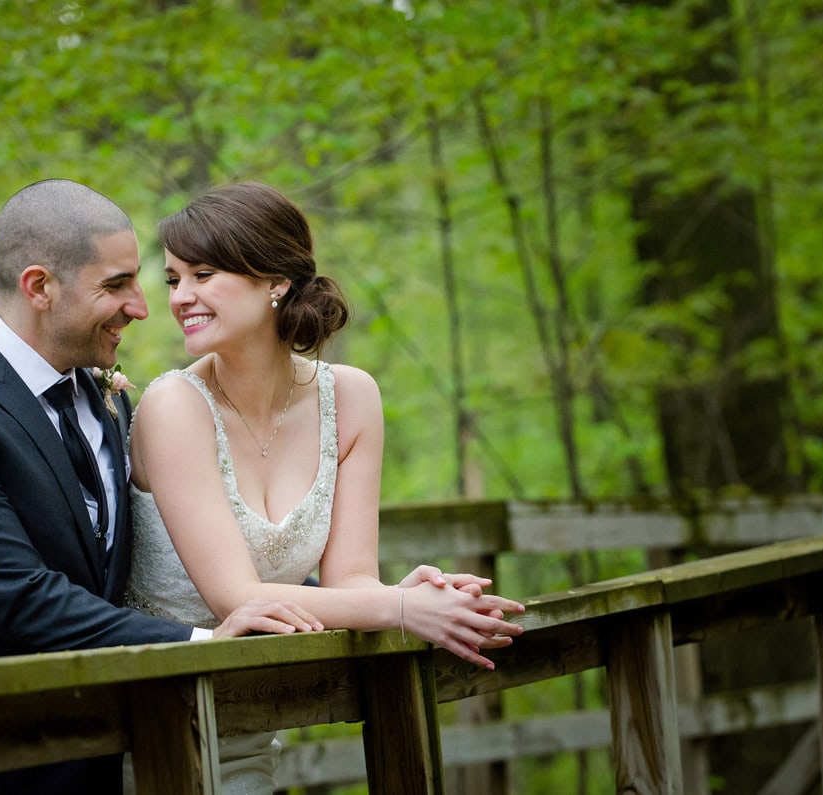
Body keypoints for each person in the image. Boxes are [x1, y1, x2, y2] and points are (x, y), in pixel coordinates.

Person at [0, 179, 318, 795]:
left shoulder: (96, 387)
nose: (141, 306)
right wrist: (202, 642)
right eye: (116, 285)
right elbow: (20, 595)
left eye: (140, 281)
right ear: (39, 287)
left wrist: (299, 595)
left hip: (113, 749)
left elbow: (156, 551)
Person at [126, 181, 526, 793]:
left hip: (255, 720)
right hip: (149, 723)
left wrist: (407, 592)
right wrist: (403, 610)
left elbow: (350, 582)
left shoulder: (352, 397)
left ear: (275, 283)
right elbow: (240, 599)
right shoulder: (172, 405)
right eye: (174, 279)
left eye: (203, 274)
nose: (181, 297)